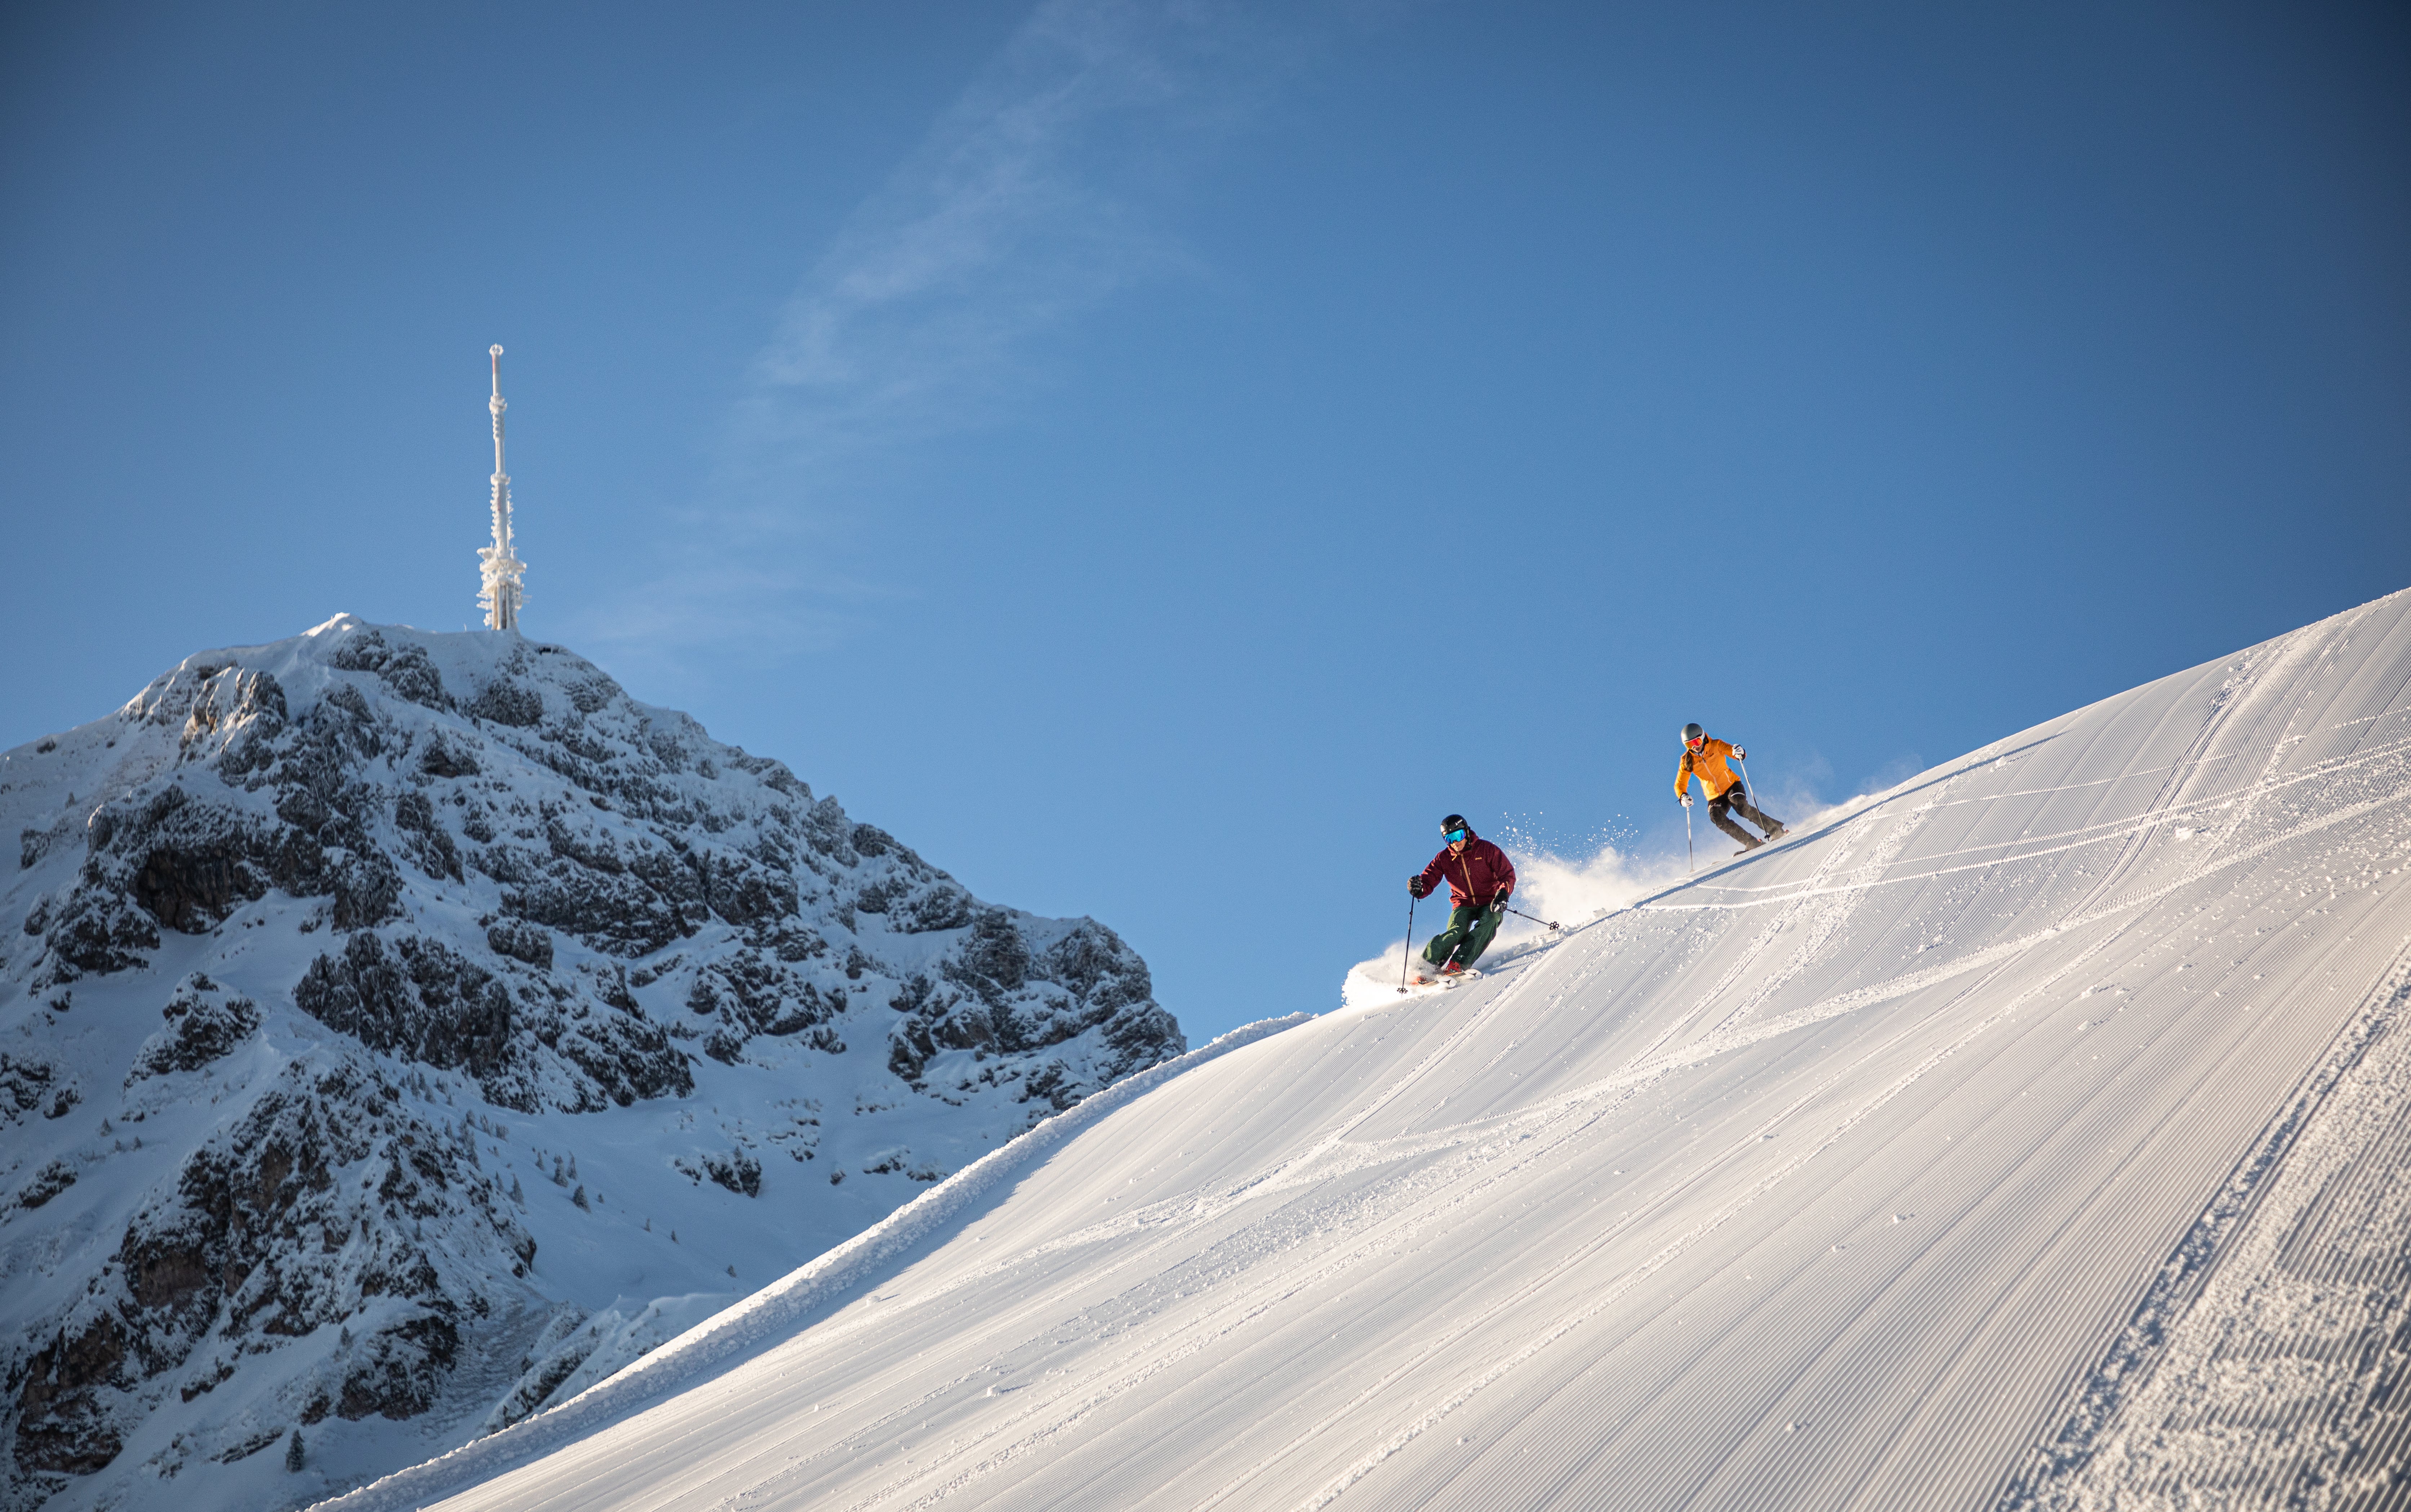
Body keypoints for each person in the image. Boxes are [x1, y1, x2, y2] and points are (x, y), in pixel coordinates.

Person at [1408, 814, 1517, 975]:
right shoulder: (1444, 858)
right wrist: (1419, 888)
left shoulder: (1487, 850)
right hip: (1463, 904)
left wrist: (1502, 894)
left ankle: (1458, 964)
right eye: (1449, 839)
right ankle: (1426, 968)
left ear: (1466, 832)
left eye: (1458, 836)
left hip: (1490, 901)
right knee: (1456, 932)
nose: (1455, 842)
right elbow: (1428, 880)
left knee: (1491, 920)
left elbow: (1507, 875)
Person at [1677, 722, 1789, 851]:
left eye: (1697, 741)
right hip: (1715, 796)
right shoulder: (1687, 761)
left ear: (1702, 737)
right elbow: (1680, 784)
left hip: (1732, 786)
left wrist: (1740, 753)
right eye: (1690, 745)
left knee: (1741, 806)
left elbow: (1733, 752)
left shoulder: (1716, 745)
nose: (1695, 747)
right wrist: (1682, 796)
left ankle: (1776, 830)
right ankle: (1751, 842)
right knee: (1716, 817)